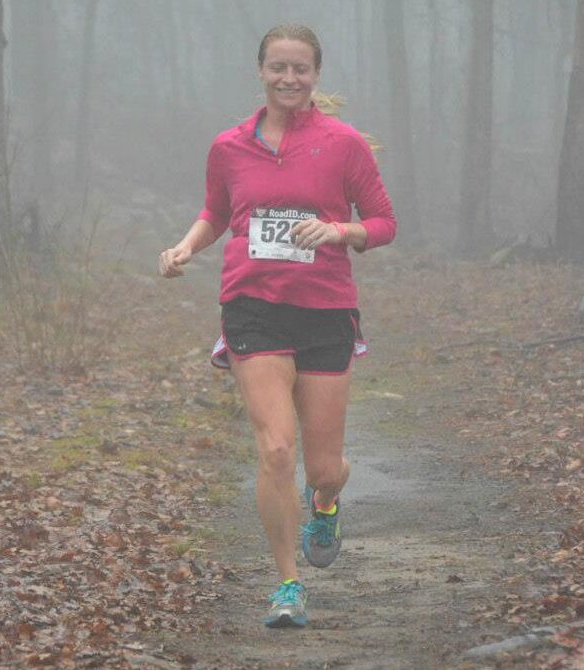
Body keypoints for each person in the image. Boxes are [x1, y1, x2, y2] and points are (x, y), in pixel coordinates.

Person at [159, 24, 396, 628]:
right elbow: (217, 212)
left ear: (316, 75)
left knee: (322, 466)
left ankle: (325, 501)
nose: (289, 79)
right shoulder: (229, 146)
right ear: (261, 71)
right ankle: (288, 585)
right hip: (252, 306)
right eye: (278, 68)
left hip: (324, 309)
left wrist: (339, 231)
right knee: (275, 449)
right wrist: (186, 247)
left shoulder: (343, 144)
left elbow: (383, 222)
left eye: (301, 70)